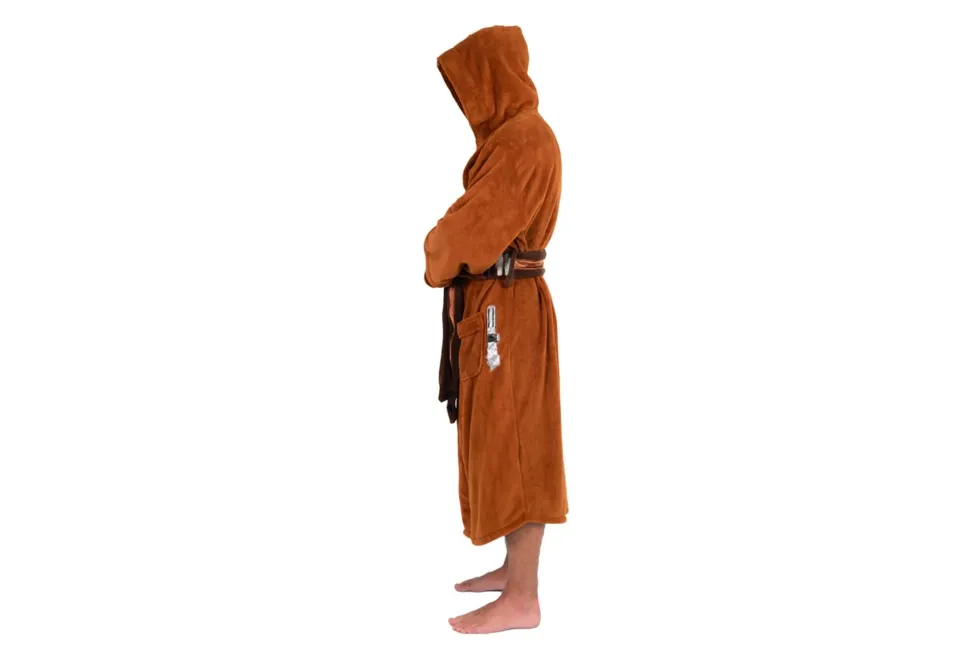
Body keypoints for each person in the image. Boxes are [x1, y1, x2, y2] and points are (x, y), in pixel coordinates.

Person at [423, 25, 568, 634]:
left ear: (492, 79)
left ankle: (523, 598)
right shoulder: (515, 139)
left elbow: (464, 236)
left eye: (472, 84)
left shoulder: (523, 141)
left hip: (504, 311)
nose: (466, 102)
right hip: (500, 307)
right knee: (505, 442)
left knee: (520, 444)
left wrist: (436, 247)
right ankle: (515, 574)